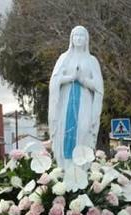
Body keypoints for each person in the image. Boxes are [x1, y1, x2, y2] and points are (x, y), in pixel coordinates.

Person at [48, 25, 104, 191]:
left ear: (86, 39)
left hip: (85, 103)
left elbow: (99, 87)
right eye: (76, 35)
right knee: (65, 133)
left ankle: (82, 169)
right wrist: (70, 77)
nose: (78, 38)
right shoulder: (64, 58)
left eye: (82, 36)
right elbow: (54, 81)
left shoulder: (92, 60)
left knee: (83, 130)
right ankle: (65, 169)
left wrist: (83, 80)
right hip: (66, 104)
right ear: (71, 38)